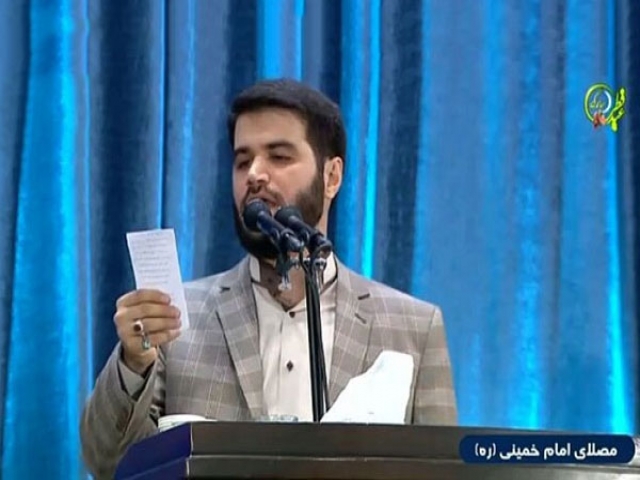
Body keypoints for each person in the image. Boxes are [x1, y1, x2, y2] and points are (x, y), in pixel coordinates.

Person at [80, 78, 458, 479]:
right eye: (243, 161)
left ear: (332, 176)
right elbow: (107, 462)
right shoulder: (174, 319)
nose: (255, 175)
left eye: (279, 157)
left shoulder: (413, 328)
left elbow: (444, 475)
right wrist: (134, 362)